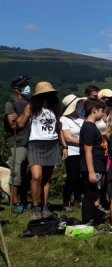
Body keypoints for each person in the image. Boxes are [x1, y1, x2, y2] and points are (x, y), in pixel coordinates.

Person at [27, 81, 67, 219]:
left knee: (47, 179)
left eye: (49, 93)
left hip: (52, 143)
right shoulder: (32, 108)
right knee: (36, 177)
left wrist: (64, 146)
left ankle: (44, 206)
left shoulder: (55, 109)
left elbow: (59, 129)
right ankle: (36, 207)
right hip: (35, 143)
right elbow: (21, 123)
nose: (47, 95)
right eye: (44, 93)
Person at [3, 75, 32, 213]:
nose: (27, 86)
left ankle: (24, 200)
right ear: (17, 89)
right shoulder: (11, 104)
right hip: (19, 142)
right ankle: (14, 202)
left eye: (27, 83)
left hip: (32, 143)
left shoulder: (32, 102)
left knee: (27, 174)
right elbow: (13, 125)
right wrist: (25, 114)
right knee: (17, 173)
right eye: (24, 84)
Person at [80, 99, 107, 225]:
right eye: (102, 111)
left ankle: (95, 217)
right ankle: (87, 220)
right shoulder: (89, 127)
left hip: (98, 166)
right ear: (94, 110)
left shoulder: (92, 126)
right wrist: (91, 171)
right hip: (93, 167)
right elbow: (88, 150)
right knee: (90, 195)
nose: (103, 114)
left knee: (95, 193)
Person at [60, 94, 86, 213]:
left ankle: (78, 198)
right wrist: (86, 142)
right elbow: (68, 137)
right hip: (72, 152)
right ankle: (66, 201)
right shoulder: (64, 119)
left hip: (83, 151)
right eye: (78, 103)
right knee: (72, 176)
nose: (80, 105)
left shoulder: (82, 117)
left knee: (81, 177)